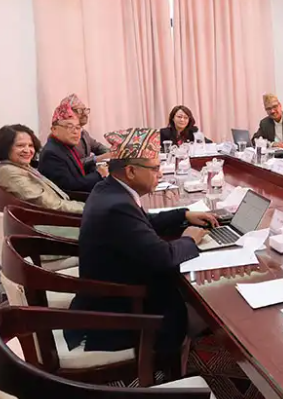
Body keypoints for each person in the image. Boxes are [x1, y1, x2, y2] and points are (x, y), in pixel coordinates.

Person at [65, 127, 219, 367]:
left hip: (107, 295)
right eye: (155, 168)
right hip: (120, 315)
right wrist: (189, 239)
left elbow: (142, 221)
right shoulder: (118, 206)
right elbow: (164, 257)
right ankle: (170, 362)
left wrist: (183, 214)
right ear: (131, 171)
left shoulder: (108, 189)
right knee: (207, 298)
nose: (160, 173)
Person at [0, 124, 84, 214]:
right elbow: (49, 204)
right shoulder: (9, 172)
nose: (27, 150)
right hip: (52, 219)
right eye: (20, 145)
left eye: (30, 145)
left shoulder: (20, 166)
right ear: (5, 148)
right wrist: (88, 209)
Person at [39, 98, 109, 194]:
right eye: (69, 126)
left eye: (78, 127)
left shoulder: (65, 146)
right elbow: (70, 187)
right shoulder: (51, 153)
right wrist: (99, 174)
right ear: (54, 130)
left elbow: (79, 171)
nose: (75, 131)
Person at [63, 93, 114, 171]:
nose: (85, 114)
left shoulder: (84, 132)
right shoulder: (65, 137)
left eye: (85, 110)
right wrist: (97, 158)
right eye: (80, 110)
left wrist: (113, 153)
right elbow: (72, 164)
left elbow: (98, 147)